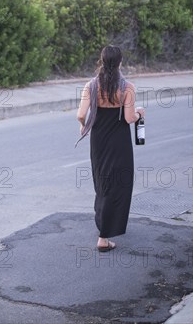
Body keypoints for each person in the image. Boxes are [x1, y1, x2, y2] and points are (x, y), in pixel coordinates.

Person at [76, 45, 145, 252]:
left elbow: (80, 114)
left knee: (102, 182)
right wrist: (140, 113)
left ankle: (103, 224)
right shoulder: (127, 87)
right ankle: (104, 237)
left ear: (101, 61)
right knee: (119, 185)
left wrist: (82, 126)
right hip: (119, 141)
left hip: (98, 140)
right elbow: (128, 118)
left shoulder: (91, 86)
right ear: (121, 63)